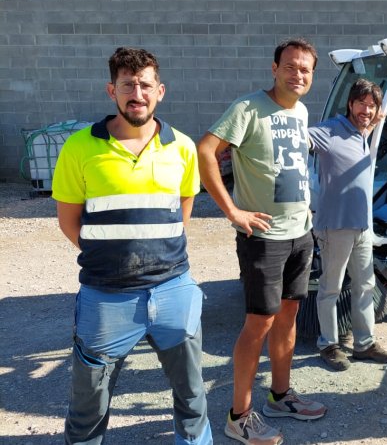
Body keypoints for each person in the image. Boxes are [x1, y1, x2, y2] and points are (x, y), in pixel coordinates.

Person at [52, 47, 212, 444]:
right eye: (127, 85)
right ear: (112, 90)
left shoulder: (183, 147)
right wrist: (114, 258)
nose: (136, 93)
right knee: (89, 405)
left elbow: (182, 211)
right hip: (106, 298)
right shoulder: (79, 148)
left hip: (173, 290)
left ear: (160, 91)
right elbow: (69, 221)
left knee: (192, 397)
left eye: (144, 85)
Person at [197, 39, 326, 445]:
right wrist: (232, 211)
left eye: (305, 69)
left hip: (299, 233)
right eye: (290, 67)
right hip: (264, 238)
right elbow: (205, 151)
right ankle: (239, 416)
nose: (298, 75)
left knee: (288, 318)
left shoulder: (301, 111)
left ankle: (281, 395)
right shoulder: (248, 108)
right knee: (259, 323)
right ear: (274, 69)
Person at [308, 78, 387, 371]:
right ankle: (329, 345)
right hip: (335, 227)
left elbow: (371, 121)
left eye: (372, 106)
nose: (367, 110)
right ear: (350, 103)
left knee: (365, 285)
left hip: (361, 226)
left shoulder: (362, 133)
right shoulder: (330, 130)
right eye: (361, 103)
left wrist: (374, 120)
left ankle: (364, 344)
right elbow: (301, 138)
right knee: (331, 288)